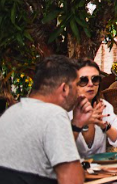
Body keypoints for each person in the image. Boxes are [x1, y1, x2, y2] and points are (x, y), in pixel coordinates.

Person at [0, 55, 93, 184]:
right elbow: (72, 180)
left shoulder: (11, 112)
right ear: (64, 88)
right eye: (77, 85)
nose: (80, 93)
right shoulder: (54, 115)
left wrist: (76, 124)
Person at [69, 60, 117, 157]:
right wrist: (79, 124)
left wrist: (105, 126)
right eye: (83, 80)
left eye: (95, 79)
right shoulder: (66, 109)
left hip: (101, 169)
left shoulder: (103, 107)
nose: (90, 84)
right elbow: (60, 148)